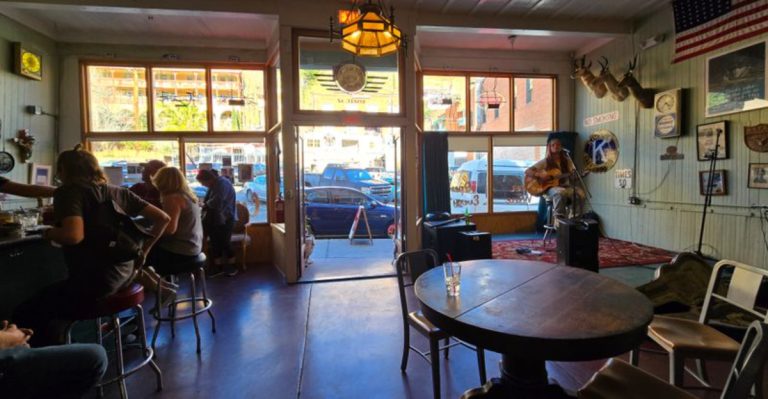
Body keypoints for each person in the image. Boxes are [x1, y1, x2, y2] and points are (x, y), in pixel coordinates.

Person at [14, 145, 170, 347]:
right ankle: (70, 344)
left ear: (64, 170)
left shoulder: (69, 192)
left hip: (94, 283)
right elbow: (163, 218)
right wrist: (144, 251)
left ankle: (56, 365)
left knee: (25, 312)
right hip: (125, 275)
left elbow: (73, 236)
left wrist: (47, 232)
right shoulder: (117, 192)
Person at [144, 166, 204, 280]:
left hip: (181, 250)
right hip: (194, 247)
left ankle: (162, 288)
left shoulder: (172, 198)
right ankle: (165, 285)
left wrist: (147, 232)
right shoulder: (188, 196)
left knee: (140, 255)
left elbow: (170, 230)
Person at [525, 137, 585, 221]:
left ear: (561, 147)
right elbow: (528, 171)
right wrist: (539, 175)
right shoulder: (545, 161)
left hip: (566, 187)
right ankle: (559, 220)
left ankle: (574, 220)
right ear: (549, 147)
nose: (556, 146)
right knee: (560, 192)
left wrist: (581, 175)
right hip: (549, 189)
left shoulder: (568, 161)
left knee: (580, 193)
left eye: (558, 145)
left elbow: (573, 177)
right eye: (553, 145)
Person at [196, 169, 236, 276]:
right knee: (215, 244)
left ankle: (232, 268)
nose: (203, 185)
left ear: (209, 179)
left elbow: (217, 201)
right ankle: (218, 268)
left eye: (203, 182)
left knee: (225, 243)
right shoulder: (216, 183)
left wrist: (204, 205)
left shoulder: (222, 183)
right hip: (217, 219)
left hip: (226, 218)